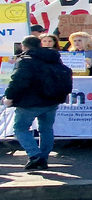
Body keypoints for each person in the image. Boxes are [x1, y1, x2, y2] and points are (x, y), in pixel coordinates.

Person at [2, 36, 74, 169]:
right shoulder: (54, 57)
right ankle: (43, 158)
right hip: (52, 100)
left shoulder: (25, 60)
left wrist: (9, 97)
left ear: (24, 46)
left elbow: (18, 81)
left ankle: (35, 155)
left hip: (30, 101)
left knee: (20, 128)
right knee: (46, 129)